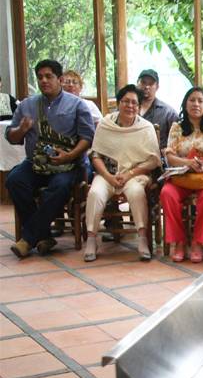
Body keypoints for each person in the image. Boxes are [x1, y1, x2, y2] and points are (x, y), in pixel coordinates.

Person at [5, 59, 94, 258]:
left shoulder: (77, 104)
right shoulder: (27, 105)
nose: (44, 81)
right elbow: (11, 136)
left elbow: (88, 137)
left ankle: (28, 239)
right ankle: (43, 236)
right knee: (14, 180)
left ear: (60, 79)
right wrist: (21, 129)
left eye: (49, 76)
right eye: (40, 77)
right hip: (36, 163)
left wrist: (69, 155)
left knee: (59, 187)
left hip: (69, 164)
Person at [84, 84, 161, 262]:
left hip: (135, 174)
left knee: (136, 192)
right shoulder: (106, 124)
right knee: (95, 193)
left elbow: (153, 160)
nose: (130, 106)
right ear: (118, 103)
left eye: (134, 103)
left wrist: (129, 174)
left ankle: (142, 238)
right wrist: (108, 177)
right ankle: (91, 238)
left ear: (139, 106)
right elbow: (95, 155)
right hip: (107, 173)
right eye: (126, 101)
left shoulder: (146, 128)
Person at [160, 86, 203, 263]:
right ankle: (180, 242)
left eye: (200, 100)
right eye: (192, 100)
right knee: (167, 193)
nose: (196, 104)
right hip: (183, 175)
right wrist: (187, 163)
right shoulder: (176, 127)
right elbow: (169, 154)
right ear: (185, 104)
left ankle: (198, 241)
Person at [136, 69, 178, 150]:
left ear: (157, 87)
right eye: (143, 82)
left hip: (158, 159)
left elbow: (177, 142)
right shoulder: (128, 109)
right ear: (137, 83)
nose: (146, 87)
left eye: (151, 84)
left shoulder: (168, 113)